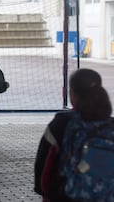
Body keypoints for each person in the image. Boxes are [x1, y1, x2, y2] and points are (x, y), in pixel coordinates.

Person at [34, 69, 112, 202]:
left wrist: (45, 192)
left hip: (68, 194)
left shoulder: (62, 122)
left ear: (72, 93)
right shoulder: (110, 125)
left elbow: (44, 164)